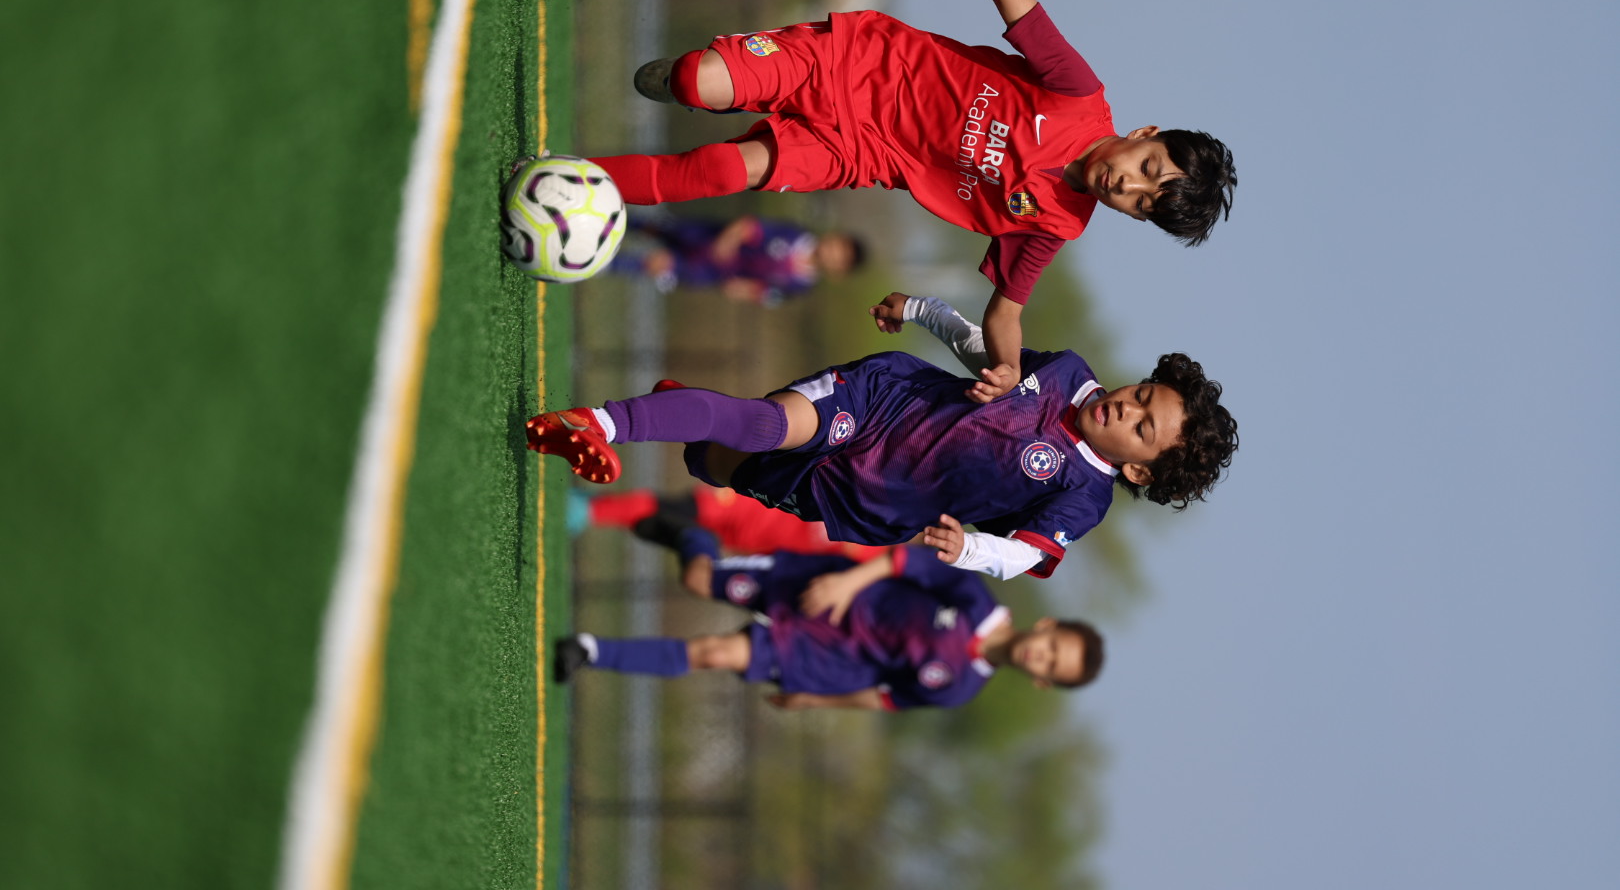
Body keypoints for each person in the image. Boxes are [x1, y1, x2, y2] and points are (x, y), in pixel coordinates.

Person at [587, 0, 1237, 402]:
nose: (1129, 186)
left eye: (1144, 204)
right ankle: (689, 77)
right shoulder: (1077, 94)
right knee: (696, 82)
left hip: (862, 154)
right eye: (1148, 167)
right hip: (857, 61)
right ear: (1144, 134)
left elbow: (1004, 316)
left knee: (723, 172)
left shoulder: (1057, 223)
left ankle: (569, 182)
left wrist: (1007, 369)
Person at [529, 292, 1238, 580]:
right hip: (883, 402)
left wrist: (971, 550)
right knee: (767, 424)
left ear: (1141, 471)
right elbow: (985, 354)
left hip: (864, 500)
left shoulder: (1082, 496)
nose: (1128, 407)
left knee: (718, 462)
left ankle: (683, 412)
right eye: (1143, 394)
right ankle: (596, 423)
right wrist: (926, 311)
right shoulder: (1069, 374)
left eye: (1145, 427)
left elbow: (1025, 555)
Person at [552, 526, 1105, 710]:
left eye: (1051, 667)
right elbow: (904, 559)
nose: (1043, 655)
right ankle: (687, 533)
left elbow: (883, 697)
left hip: (828, 657)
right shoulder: (977, 600)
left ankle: (588, 651)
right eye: (1053, 647)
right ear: (1048, 628)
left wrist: (814, 698)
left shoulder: (957, 688)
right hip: (824, 591)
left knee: (715, 653)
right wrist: (847, 580)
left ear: (1041, 679)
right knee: (697, 578)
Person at [574, 482, 888, 561]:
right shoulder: (871, 497)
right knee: (671, 508)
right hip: (743, 505)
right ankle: (588, 511)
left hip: (743, 538)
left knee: (662, 522)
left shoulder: (873, 554)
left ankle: (592, 510)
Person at [608, 213, 865, 306]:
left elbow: (764, 292)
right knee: (651, 228)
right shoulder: (795, 234)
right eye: (838, 246)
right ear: (834, 237)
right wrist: (727, 240)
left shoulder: (799, 285)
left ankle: (596, 264)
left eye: (839, 258)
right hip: (704, 237)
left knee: (653, 264)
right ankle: (605, 219)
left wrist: (741, 290)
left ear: (838, 270)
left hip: (707, 271)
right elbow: (749, 226)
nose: (832, 252)